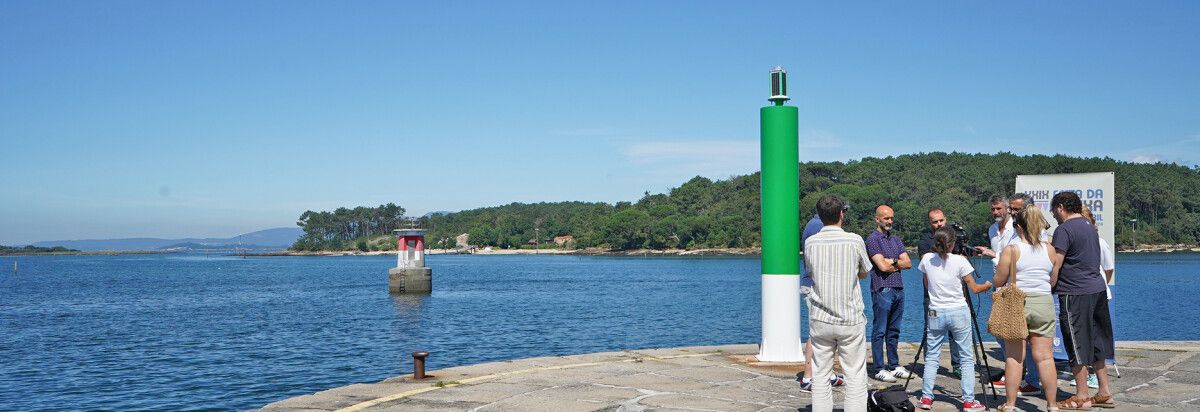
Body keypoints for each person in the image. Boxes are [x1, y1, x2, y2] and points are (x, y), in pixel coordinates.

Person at [804, 195, 872, 412]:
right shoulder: (855, 240)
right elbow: (864, 271)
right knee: (855, 374)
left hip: (820, 317)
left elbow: (812, 272)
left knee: (821, 374)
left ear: (820, 216)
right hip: (850, 317)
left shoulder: (810, 242)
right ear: (841, 213)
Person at [1049, 192, 1116, 410]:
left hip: (1074, 292)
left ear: (1061, 207)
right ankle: (1104, 391)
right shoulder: (1089, 225)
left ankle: (1082, 396)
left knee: (1076, 342)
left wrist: (1049, 286)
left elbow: (1056, 264)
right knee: (1097, 340)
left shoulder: (1064, 229)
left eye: (1054, 212)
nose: (1054, 216)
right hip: (1097, 289)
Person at [915, 227, 991, 412]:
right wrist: (987, 285)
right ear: (952, 243)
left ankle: (926, 397)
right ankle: (968, 400)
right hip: (958, 311)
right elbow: (974, 288)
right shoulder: (961, 260)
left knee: (932, 356)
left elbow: (927, 283)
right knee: (966, 358)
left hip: (935, 311)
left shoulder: (926, 259)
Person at [992, 206, 1061, 412]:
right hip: (1043, 302)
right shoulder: (1049, 249)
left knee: (1014, 357)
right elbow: (1053, 280)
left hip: (1018, 303)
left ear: (1018, 226)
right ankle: (1052, 405)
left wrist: (996, 269)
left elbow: (999, 280)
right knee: (1045, 357)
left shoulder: (1012, 250)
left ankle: (1011, 404)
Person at [997, 192, 1046, 394]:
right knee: (1003, 334)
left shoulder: (1038, 233)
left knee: (1031, 342)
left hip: (1026, 292)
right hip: (1010, 290)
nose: (1012, 212)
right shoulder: (1012, 229)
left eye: (1017, 209)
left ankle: (1033, 381)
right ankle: (1018, 376)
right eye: (1011, 209)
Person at [798, 213, 846, 392]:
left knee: (825, 331)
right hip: (815, 286)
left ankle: (828, 373)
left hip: (814, 284)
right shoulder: (818, 227)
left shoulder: (814, 224)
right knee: (817, 332)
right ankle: (808, 377)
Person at [867, 204, 913, 382]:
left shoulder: (895, 240)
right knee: (879, 330)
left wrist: (891, 262)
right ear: (877, 219)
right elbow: (882, 267)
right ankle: (879, 368)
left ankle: (894, 365)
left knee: (894, 331)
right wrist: (895, 262)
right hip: (882, 289)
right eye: (886, 218)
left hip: (898, 289)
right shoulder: (872, 240)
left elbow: (908, 263)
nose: (890, 221)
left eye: (892, 218)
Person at [916, 208, 963, 377]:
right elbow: (927, 266)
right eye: (935, 222)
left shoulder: (956, 239)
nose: (938, 224)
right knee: (931, 330)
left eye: (941, 221)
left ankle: (958, 364)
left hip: (955, 293)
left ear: (946, 219)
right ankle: (931, 364)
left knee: (956, 332)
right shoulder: (924, 242)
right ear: (930, 223)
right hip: (932, 295)